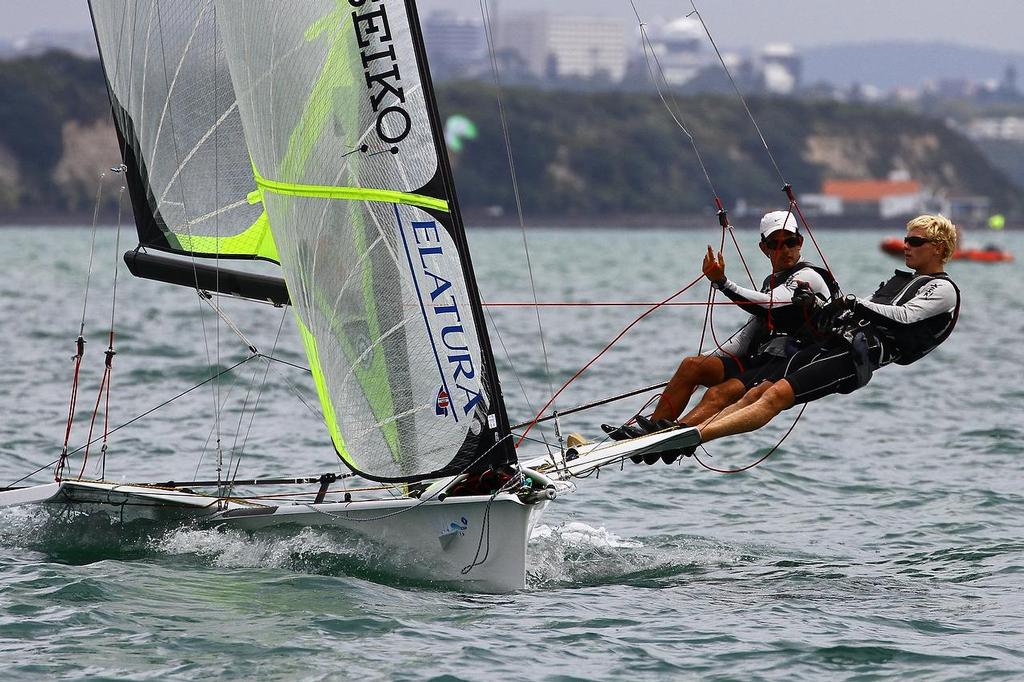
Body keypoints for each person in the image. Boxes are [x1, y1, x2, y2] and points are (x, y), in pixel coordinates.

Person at [688, 213, 960, 448]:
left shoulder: (943, 289)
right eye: (906, 240)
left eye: (914, 242)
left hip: (855, 357)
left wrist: (854, 302)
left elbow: (904, 317)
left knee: (775, 396)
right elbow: (850, 312)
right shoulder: (902, 281)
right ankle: (686, 432)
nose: (906, 246)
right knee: (757, 391)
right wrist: (815, 305)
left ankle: (698, 436)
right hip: (835, 341)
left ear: (938, 248)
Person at [602, 209, 838, 461]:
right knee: (692, 366)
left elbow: (769, 304)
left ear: (800, 242)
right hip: (760, 359)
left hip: (787, 364)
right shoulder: (771, 281)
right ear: (764, 248)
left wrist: (723, 283)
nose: (785, 249)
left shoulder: (809, 276)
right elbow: (749, 333)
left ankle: (672, 438)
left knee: (717, 394)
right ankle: (650, 432)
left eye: (791, 241)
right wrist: (708, 362)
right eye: (776, 243)